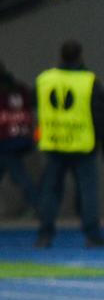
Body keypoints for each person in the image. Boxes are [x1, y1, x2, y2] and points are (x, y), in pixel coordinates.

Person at [34, 40, 104, 249]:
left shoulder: (45, 80)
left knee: (51, 192)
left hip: (54, 143)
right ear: (80, 56)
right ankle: (93, 235)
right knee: (87, 191)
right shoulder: (89, 81)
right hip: (82, 144)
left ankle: (44, 234)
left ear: (60, 56)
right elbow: (100, 116)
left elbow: (37, 108)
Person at [0, 62, 38, 215]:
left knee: (20, 176)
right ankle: (37, 205)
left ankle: (38, 206)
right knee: (18, 174)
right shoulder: (20, 88)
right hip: (20, 137)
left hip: (5, 140)